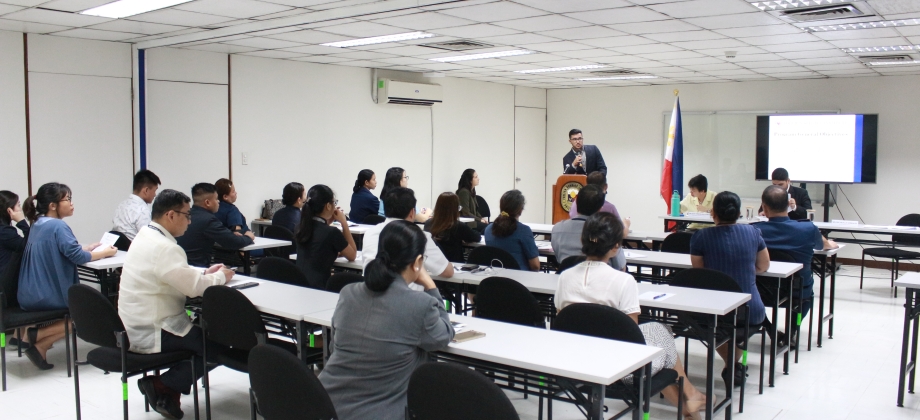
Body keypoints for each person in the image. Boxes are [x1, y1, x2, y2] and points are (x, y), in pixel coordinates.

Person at [556, 212, 706, 420]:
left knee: (659, 332)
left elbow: (562, 320)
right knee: (662, 335)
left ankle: (689, 403)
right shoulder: (623, 281)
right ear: (616, 246)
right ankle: (690, 398)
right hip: (620, 368)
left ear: (583, 240)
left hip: (576, 361)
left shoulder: (564, 277)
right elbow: (632, 338)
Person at [319, 220, 454, 420]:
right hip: (377, 413)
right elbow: (444, 335)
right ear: (417, 262)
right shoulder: (420, 304)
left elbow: (333, 348)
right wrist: (430, 285)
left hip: (324, 405)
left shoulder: (348, 293)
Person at [119, 189, 235, 419]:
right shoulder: (166, 247)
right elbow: (194, 288)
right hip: (157, 328)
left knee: (203, 341)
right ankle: (163, 384)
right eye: (187, 215)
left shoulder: (146, 234)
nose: (190, 221)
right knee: (220, 348)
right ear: (171, 215)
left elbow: (169, 273)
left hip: (133, 322)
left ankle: (167, 389)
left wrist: (202, 273)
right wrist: (222, 276)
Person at [17, 183, 117, 370]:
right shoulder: (58, 226)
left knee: (83, 309)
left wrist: (86, 248)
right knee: (88, 313)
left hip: (30, 291)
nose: (72, 204)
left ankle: (40, 346)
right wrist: (105, 253)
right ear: (53, 205)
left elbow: (63, 250)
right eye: (68, 199)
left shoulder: (38, 224)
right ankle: (36, 335)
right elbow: (77, 257)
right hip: (46, 295)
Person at [689, 191, 770, 388]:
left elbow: (699, 273)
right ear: (739, 212)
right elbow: (763, 266)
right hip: (751, 310)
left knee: (714, 328)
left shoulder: (700, 237)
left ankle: (731, 365)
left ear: (713, 213)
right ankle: (733, 366)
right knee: (735, 329)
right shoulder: (753, 232)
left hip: (714, 311)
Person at [753, 185, 838, 345]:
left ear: (764, 207)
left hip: (760, 291)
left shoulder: (753, 230)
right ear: (789, 205)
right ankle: (792, 330)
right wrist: (832, 244)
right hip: (797, 292)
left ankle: (770, 328)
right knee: (808, 299)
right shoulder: (807, 229)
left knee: (746, 296)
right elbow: (824, 246)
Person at [363, 188, 453, 287]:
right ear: (412, 212)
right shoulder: (419, 236)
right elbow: (447, 271)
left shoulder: (370, 233)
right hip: (409, 299)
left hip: (370, 296)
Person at [294, 185, 357, 290]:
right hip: (320, 287)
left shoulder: (300, 227)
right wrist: (344, 223)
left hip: (300, 284)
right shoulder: (331, 232)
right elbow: (352, 255)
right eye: (334, 202)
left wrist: (327, 222)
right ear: (328, 206)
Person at [176, 183, 254, 267]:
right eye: (216, 199)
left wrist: (230, 234)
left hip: (181, 264)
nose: (218, 202)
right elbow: (233, 242)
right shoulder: (208, 219)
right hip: (198, 268)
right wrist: (248, 237)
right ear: (207, 202)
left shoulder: (186, 215)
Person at [552, 185, 626, 270]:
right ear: (600, 209)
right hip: (602, 280)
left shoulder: (557, 229)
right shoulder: (608, 231)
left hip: (567, 277)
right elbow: (620, 267)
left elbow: (558, 259)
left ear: (576, 203)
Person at [484, 190, 540, 271]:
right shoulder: (524, 231)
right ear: (520, 210)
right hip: (519, 280)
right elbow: (535, 266)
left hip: (496, 278)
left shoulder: (488, 230)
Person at [424, 192, 481, 263]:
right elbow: (477, 237)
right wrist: (462, 236)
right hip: (454, 265)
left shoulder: (428, 223)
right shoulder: (458, 226)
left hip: (434, 264)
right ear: (455, 209)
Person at [112, 169, 161, 241]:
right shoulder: (142, 210)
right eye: (154, 190)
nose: (155, 195)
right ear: (146, 190)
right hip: (134, 250)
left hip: (117, 249)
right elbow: (149, 239)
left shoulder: (121, 206)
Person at [0, 190, 29, 274]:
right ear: (9, 210)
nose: (20, 209)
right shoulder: (5, 232)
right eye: (18, 205)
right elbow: (29, 246)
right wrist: (22, 222)